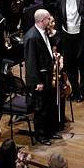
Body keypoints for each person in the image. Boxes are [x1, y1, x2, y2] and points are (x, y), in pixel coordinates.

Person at [24, 9, 61, 145]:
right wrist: (37, 82)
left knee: (49, 105)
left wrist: (53, 56)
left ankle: (49, 132)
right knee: (41, 109)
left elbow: (46, 50)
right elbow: (31, 62)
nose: (49, 20)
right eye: (47, 18)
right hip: (39, 79)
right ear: (41, 21)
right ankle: (41, 136)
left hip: (47, 75)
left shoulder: (43, 32)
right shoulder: (32, 37)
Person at [55, 0, 84, 102]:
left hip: (80, 35)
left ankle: (83, 90)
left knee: (82, 64)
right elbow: (59, 17)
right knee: (69, 65)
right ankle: (75, 90)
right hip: (67, 35)